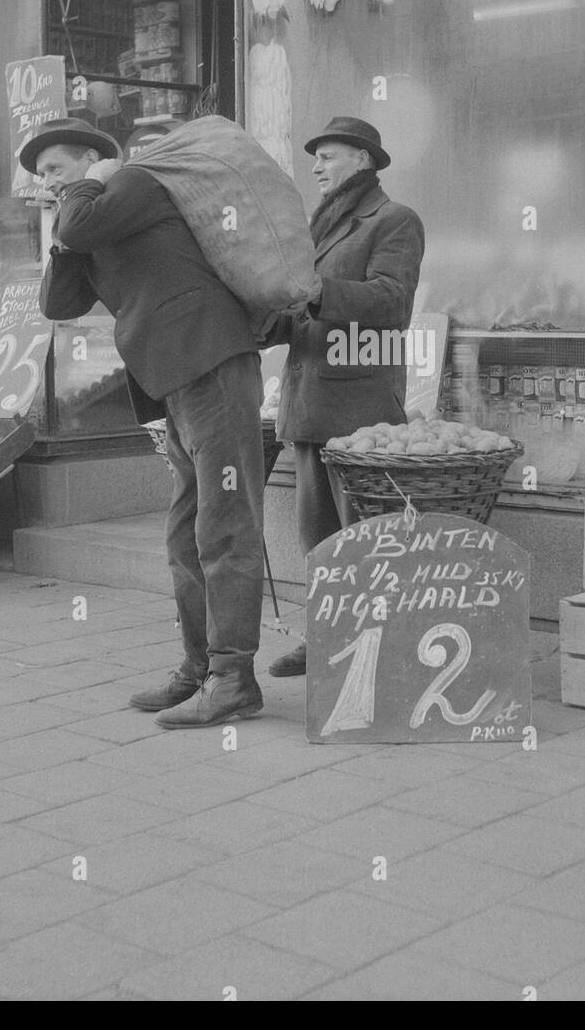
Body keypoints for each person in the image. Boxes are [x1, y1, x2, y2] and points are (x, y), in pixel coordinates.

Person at [28, 117, 268, 728]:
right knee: (185, 532)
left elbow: (80, 220)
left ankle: (234, 677)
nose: (47, 183)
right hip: (173, 376)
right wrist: (59, 237)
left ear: (91, 159)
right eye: (41, 176)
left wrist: (79, 198)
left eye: (55, 168)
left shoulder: (133, 183)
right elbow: (60, 304)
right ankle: (199, 668)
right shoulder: (87, 218)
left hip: (209, 359)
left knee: (224, 524)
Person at [264, 116, 425, 677]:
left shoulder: (394, 220)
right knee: (318, 535)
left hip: (360, 410)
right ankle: (326, 635)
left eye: (327, 156)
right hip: (310, 402)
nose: (316, 167)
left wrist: (315, 291)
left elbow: (391, 303)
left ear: (362, 158)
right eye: (315, 158)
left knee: (365, 535)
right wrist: (268, 318)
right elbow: (303, 311)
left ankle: (376, 646)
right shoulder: (321, 226)